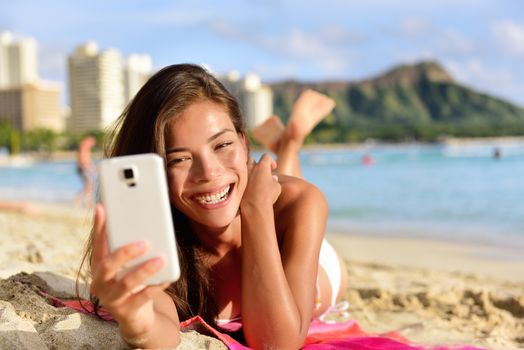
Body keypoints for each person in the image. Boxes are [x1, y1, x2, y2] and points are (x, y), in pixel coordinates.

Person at [80, 64, 347, 349]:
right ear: (154, 170)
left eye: (222, 145)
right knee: (258, 184)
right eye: (179, 159)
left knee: (289, 187)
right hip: (249, 196)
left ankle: (290, 145)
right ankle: (286, 145)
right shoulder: (159, 238)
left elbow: (278, 344)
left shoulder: (301, 202)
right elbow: (159, 326)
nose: (208, 172)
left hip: (316, 266)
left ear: (244, 143)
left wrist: (256, 210)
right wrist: (136, 319)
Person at [75, 136, 96, 207]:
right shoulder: (83, 149)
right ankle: (85, 201)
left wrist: (92, 168)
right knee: (89, 186)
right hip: (83, 169)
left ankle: (86, 201)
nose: (92, 145)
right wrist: (90, 168)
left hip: (82, 168)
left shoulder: (84, 149)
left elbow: (87, 161)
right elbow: (83, 161)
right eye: (91, 142)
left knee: (89, 186)